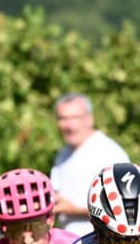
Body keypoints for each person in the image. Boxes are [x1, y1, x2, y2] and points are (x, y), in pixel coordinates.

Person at [49, 92, 129, 235]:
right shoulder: (62, 155)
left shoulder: (110, 153)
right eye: (62, 118)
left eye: (74, 117)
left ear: (89, 119)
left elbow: (125, 205)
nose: (68, 125)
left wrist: (75, 210)